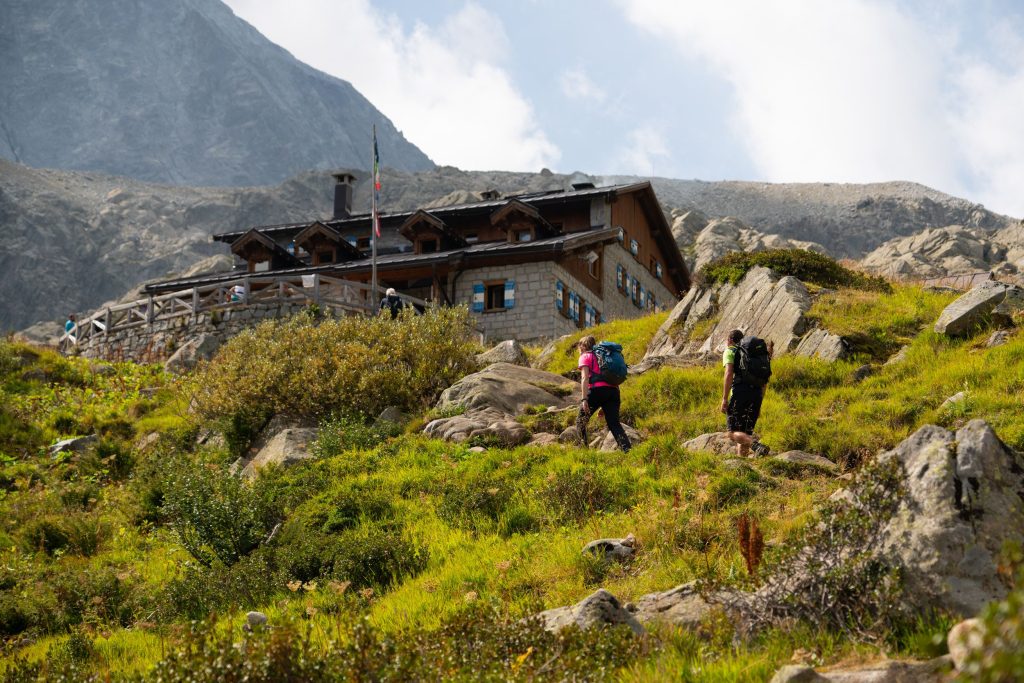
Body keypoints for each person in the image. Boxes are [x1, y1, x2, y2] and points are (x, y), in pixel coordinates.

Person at [575, 335, 631, 452]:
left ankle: (584, 452)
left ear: (582, 346)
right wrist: (604, 404)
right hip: (614, 392)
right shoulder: (604, 355)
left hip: (596, 391)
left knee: (580, 422)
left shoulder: (586, 356)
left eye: (579, 346)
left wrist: (584, 399)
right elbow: (611, 379)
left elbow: (585, 378)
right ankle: (627, 450)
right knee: (614, 424)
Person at [721, 329, 770, 457]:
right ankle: (742, 465)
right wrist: (759, 404)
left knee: (732, 433)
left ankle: (755, 445)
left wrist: (725, 399)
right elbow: (764, 382)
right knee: (745, 433)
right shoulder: (756, 355)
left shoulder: (731, 351)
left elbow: (729, 373)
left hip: (740, 393)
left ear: (730, 340)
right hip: (757, 394)